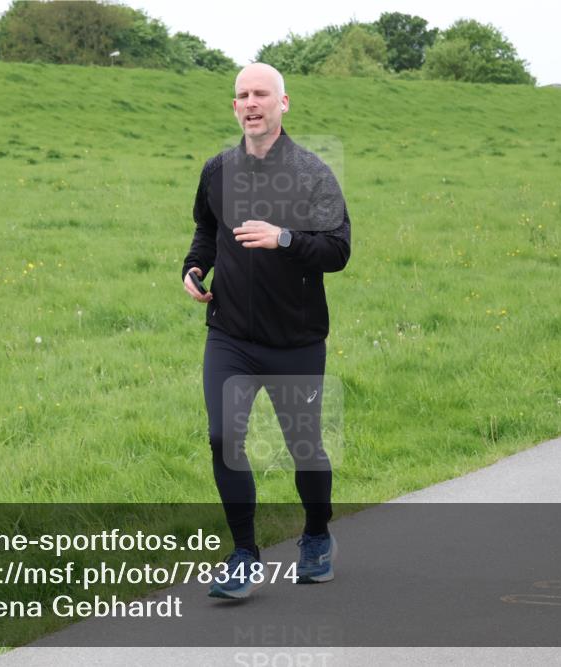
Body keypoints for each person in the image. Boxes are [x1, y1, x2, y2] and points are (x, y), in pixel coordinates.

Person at [181, 63, 351, 599]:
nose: (250, 103)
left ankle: (318, 534)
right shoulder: (217, 170)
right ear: (235, 107)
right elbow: (206, 229)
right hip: (229, 335)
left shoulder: (312, 173)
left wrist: (284, 239)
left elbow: (338, 251)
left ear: (283, 103)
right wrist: (194, 267)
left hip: (295, 339)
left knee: (305, 448)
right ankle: (243, 555)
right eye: (241, 95)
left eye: (261, 94)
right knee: (223, 438)